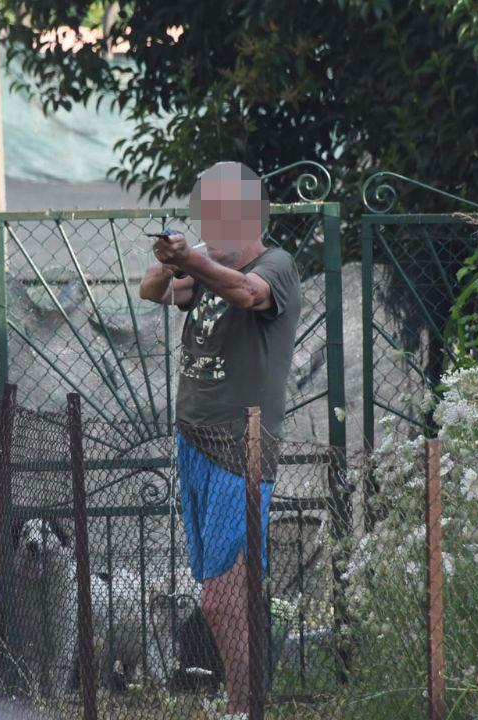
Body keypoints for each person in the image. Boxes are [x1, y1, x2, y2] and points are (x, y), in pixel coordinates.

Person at [138, 161, 301, 716]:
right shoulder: (204, 270)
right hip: (194, 442)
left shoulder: (275, 265)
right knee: (220, 588)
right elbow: (151, 290)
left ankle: (243, 705)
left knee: (222, 597)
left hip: (241, 449)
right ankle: (245, 702)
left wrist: (193, 259)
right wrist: (172, 259)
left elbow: (248, 295)